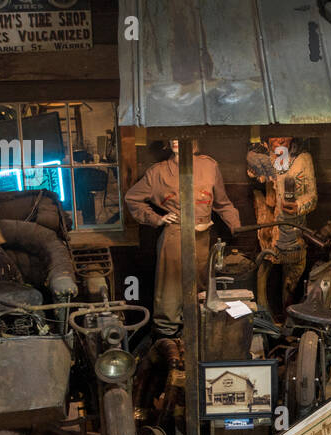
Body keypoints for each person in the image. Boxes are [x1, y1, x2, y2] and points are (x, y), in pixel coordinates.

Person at [125, 139, 241, 336]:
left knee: (201, 289)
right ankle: (167, 337)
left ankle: (196, 335)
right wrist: (157, 219)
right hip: (174, 236)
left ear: (194, 140)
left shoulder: (209, 166)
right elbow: (132, 198)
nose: (176, 141)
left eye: (181, 136)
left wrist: (237, 227)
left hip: (202, 238)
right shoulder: (158, 172)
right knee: (170, 292)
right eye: (172, 137)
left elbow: (222, 203)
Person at [246, 136, 317, 312]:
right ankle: (265, 318)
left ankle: (289, 316)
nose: (280, 140)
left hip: (293, 231)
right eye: (275, 136)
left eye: (285, 135)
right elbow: (254, 175)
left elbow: (312, 197)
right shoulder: (264, 158)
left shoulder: (303, 160)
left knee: (292, 279)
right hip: (269, 230)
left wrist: (299, 206)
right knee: (264, 275)